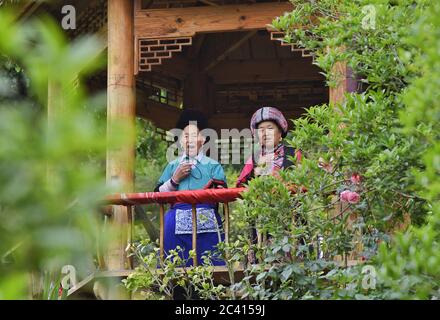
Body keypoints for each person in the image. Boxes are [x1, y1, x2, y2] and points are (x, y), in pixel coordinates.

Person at [155, 110, 227, 267]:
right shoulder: (172, 165)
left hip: (207, 219)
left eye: (194, 135)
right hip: (175, 220)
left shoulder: (213, 166)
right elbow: (157, 194)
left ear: (203, 139)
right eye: (185, 136)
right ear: (180, 140)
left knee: (210, 269)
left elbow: (224, 194)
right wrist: (174, 179)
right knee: (174, 267)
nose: (189, 140)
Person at [236, 106, 301, 187]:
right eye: (261, 130)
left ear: (280, 133)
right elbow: (241, 186)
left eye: (270, 129)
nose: (265, 133)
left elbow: (306, 180)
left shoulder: (294, 153)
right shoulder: (254, 158)